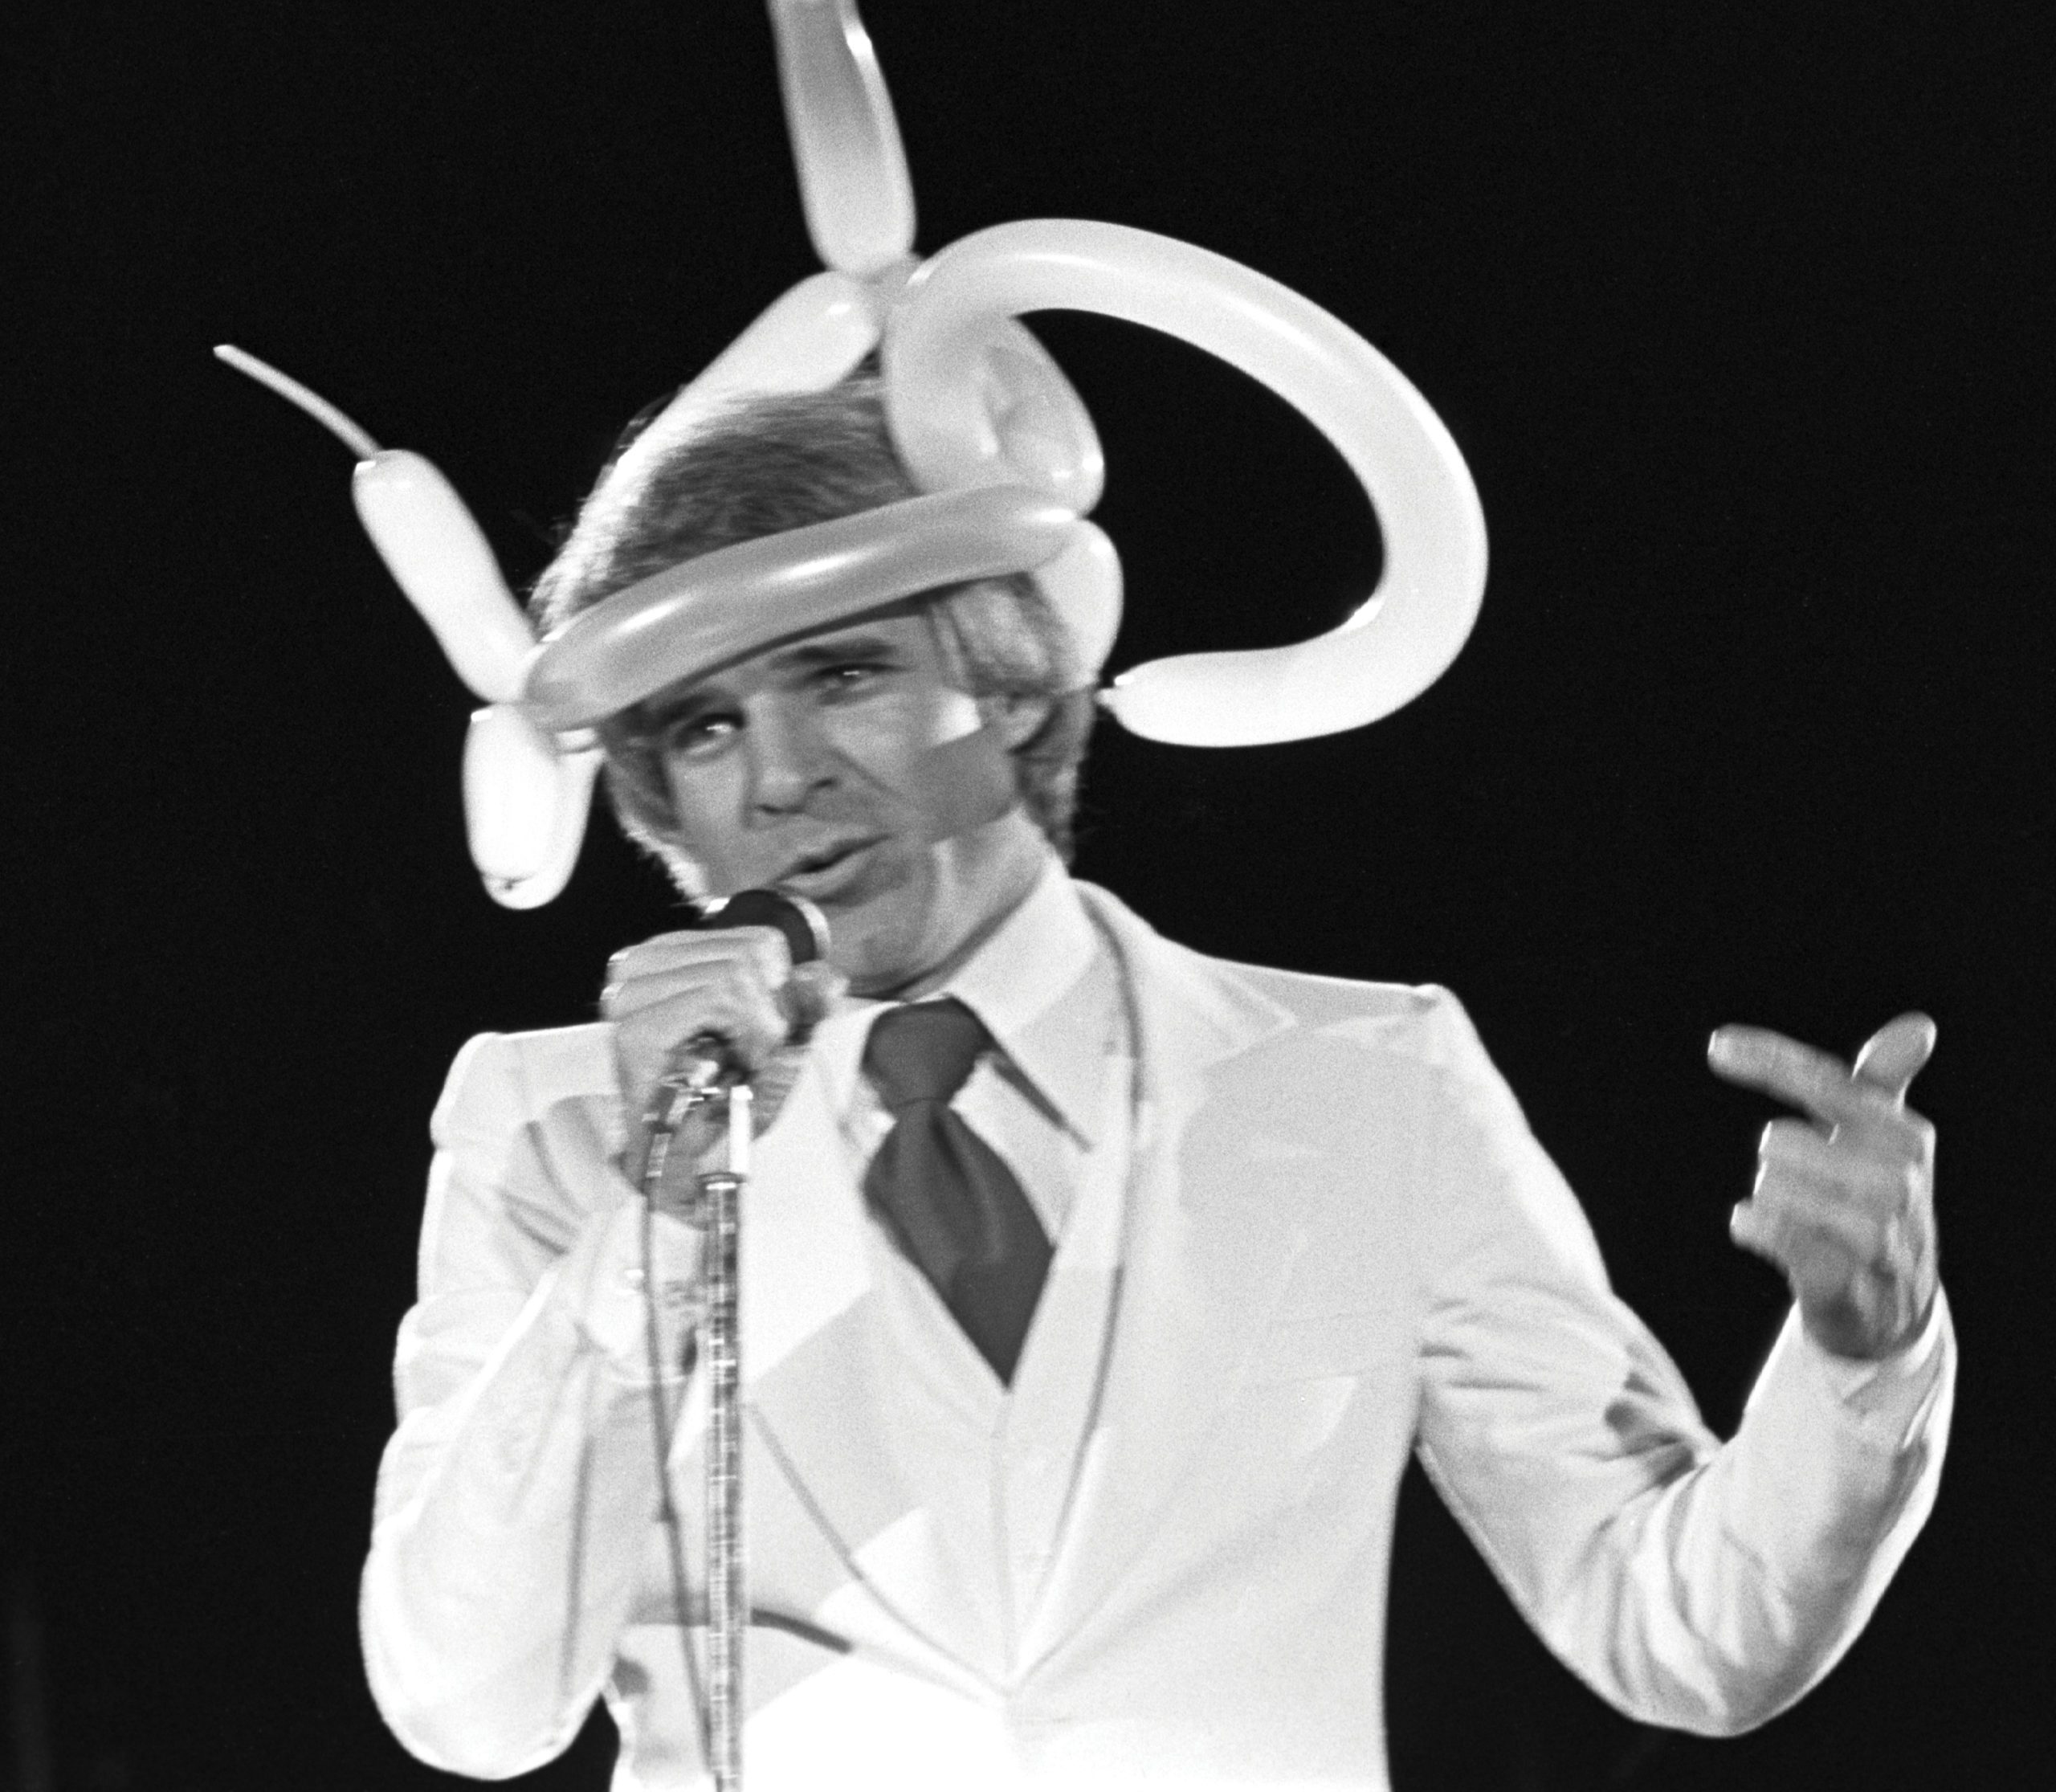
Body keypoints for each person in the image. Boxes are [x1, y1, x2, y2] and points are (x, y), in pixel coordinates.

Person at [360, 374, 1953, 1791]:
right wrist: (650, 1230)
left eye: (840, 675)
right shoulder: (546, 1124)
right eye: (704, 727)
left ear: (1022, 685)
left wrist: (1856, 1357)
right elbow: (466, 1703)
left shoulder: (1359, 1082)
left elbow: (1682, 1630)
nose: (777, 777)